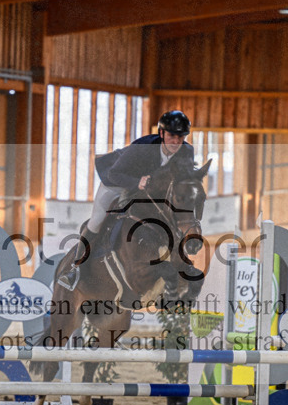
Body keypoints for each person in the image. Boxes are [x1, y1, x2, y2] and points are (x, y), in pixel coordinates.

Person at [57, 110, 195, 290]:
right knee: (97, 221)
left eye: (181, 137)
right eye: (172, 136)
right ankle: (75, 268)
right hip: (118, 181)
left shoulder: (187, 151)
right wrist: (137, 182)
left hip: (149, 189)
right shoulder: (142, 148)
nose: (176, 142)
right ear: (161, 133)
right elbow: (114, 174)